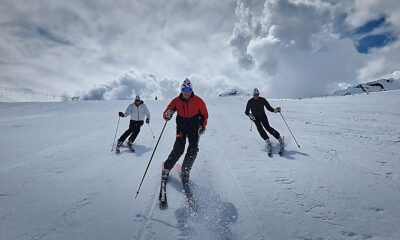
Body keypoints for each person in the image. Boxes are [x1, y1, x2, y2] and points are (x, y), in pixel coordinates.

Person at [161, 78, 208, 185]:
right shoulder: (176, 101)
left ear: (191, 90)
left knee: (193, 149)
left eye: (189, 90)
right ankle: (167, 168)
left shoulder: (198, 101)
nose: (187, 93)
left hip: (194, 128)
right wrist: (167, 114)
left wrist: (202, 126)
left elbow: (204, 115)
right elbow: (168, 111)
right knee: (179, 148)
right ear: (181, 90)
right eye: (184, 90)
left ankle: (185, 171)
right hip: (181, 128)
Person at [245, 88, 284, 152]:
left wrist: (275, 110)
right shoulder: (250, 101)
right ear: (253, 95)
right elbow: (246, 112)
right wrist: (250, 115)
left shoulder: (262, 100)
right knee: (260, 129)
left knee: (268, 128)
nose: (256, 96)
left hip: (263, 116)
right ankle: (267, 141)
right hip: (255, 118)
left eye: (257, 94)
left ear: (259, 94)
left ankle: (279, 138)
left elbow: (269, 108)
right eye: (255, 94)